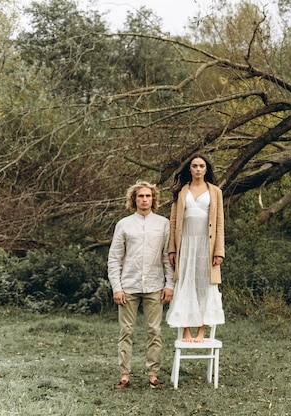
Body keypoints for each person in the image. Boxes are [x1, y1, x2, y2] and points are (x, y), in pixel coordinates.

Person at [107, 181, 175, 390]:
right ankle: (125, 374)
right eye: (140, 196)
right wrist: (117, 287)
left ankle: (153, 374)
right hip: (129, 285)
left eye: (148, 196)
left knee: (154, 330)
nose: (144, 200)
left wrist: (169, 284)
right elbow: (114, 258)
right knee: (126, 331)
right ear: (134, 199)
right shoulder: (124, 224)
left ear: (153, 199)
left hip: (155, 285)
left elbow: (167, 257)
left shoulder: (163, 224)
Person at [166, 153, 225, 343]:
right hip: (185, 244)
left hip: (206, 245)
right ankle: (186, 331)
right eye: (194, 166)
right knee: (184, 283)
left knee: (203, 285)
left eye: (201, 166)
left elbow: (219, 223)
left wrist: (219, 251)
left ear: (206, 169)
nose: (198, 169)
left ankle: (201, 330)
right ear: (189, 169)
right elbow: (173, 221)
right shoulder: (181, 191)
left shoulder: (215, 191)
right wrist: (172, 249)